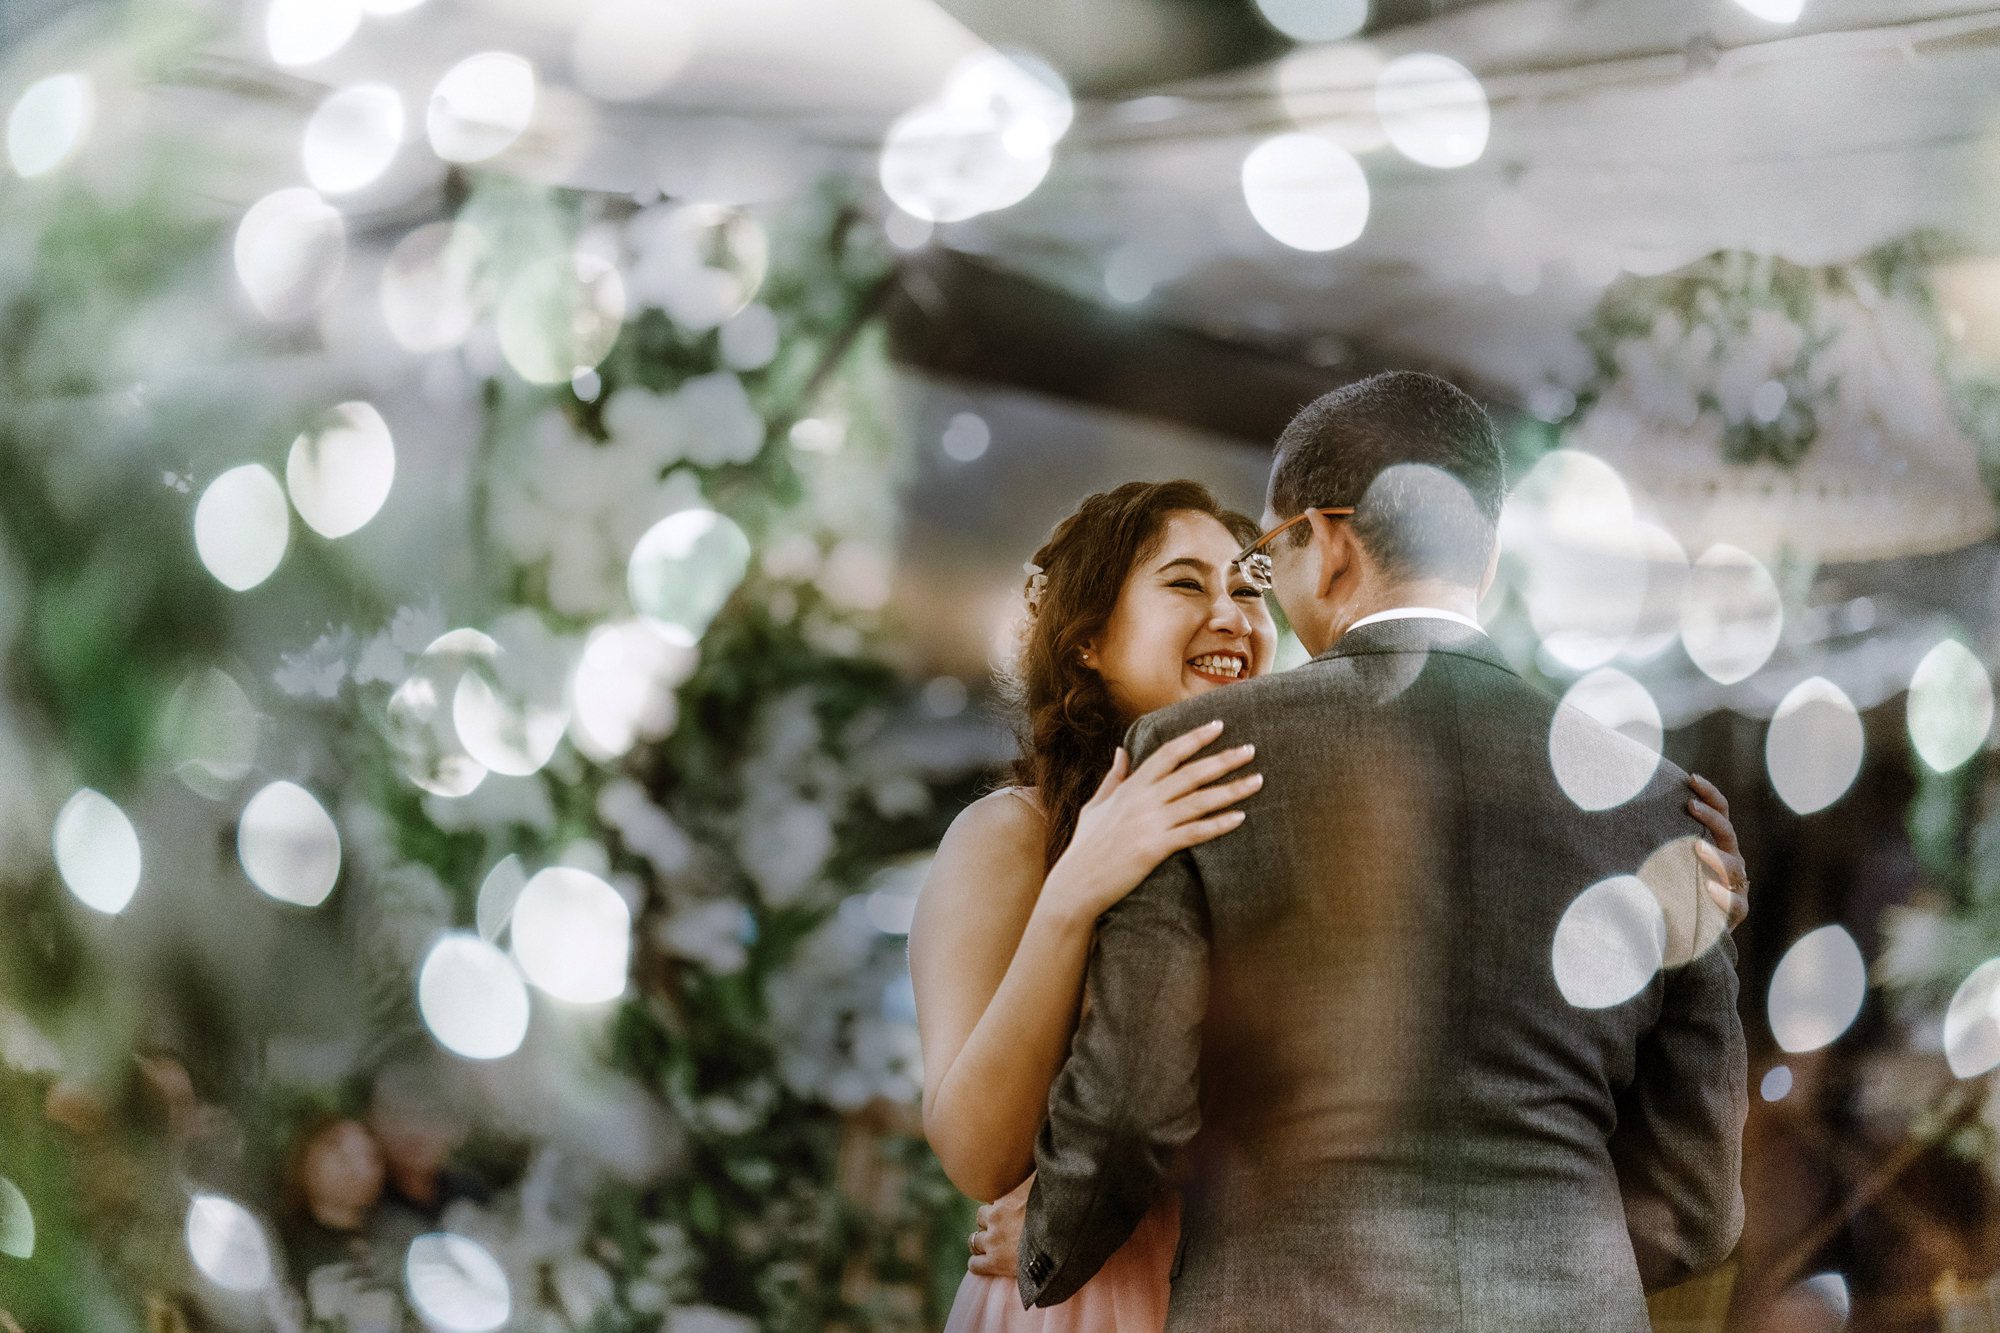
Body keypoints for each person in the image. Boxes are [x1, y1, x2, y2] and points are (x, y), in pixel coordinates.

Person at [911, 451, 1748, 1329]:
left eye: (1248, 588)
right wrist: (1074, 889)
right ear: (1087, 636)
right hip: (1088, 1294)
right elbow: (975, 1151)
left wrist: (1687, 907)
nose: (1232, 615)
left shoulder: (1291, 818)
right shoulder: (1012, 835)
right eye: (1187, 586)